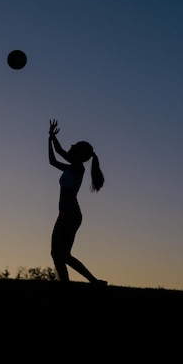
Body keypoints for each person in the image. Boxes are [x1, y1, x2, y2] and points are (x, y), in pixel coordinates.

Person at [47, 119, 107, 286]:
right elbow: (52, 160)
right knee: (55, 253)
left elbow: (59, 150)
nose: (71, 145)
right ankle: (66, 284)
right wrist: (49, 139)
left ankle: (94, 281)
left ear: (79, 154)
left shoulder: (78, 167)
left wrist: (52, 137)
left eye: (74, 146)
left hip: (71, 215)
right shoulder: (70, 168)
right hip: (64, 214)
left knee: (63, 254)